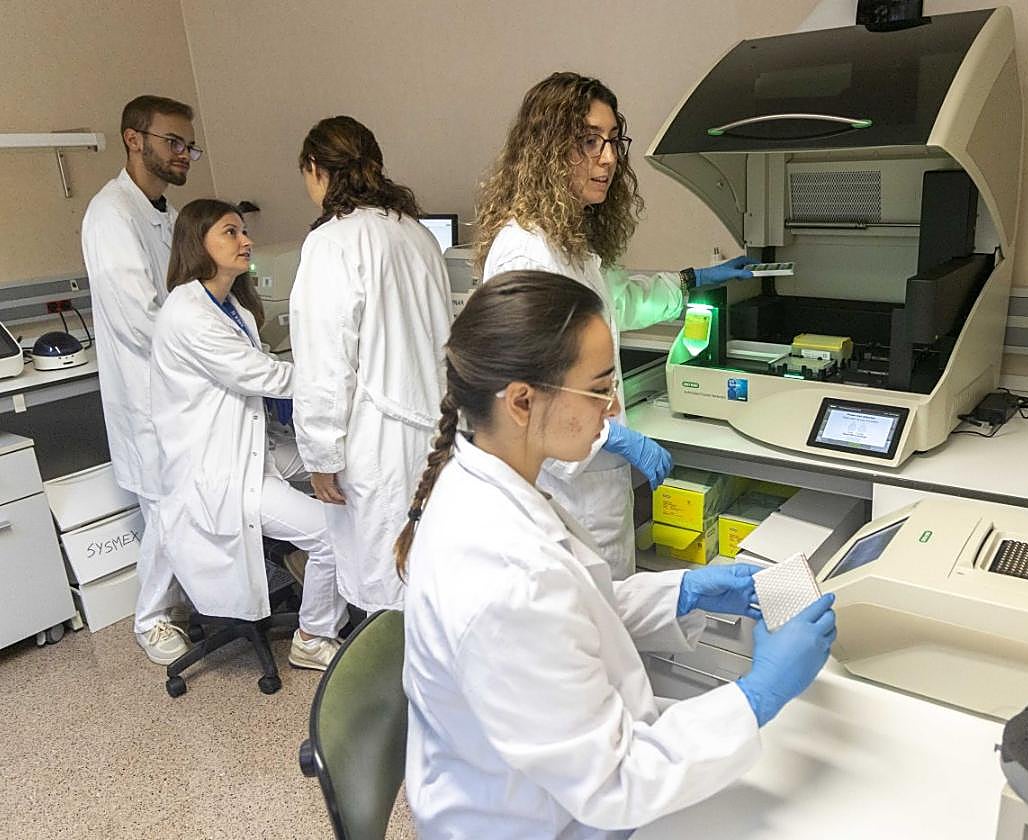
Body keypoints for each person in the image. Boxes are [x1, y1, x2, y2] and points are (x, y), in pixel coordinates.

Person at [400, 270, 837, 838]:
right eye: (599, 387)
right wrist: (758, 697)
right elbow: (614, 785)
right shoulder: (502, 577)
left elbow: (569, 613)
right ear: (523, 402)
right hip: (537, 821)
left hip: (553, 785)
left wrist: (681, 591)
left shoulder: (491, 482)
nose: (611, 408)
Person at [476, 72, 755, 579]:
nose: (607, 158)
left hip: (592, 484)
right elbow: (524, 390)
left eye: (611, 141)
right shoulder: (525, 251)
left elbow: (615, 304)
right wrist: (612, 436)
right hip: (562, 489)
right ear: (547, 149)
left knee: (610, 618)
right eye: (588, 141)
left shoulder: (569, 244)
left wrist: (695, 280)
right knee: (586, 629)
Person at [149, 199, 347, 670]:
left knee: (348, 467)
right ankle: (312, 635)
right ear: (199, 243)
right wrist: (343, 378)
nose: (246, 241)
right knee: (332, 535)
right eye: (231, 233)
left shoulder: (231, 305)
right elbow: (266, 377)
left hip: (254, 449)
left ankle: (327, 579)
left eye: (243, 231)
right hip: (222, 471)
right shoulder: (188, 314)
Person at [290, 116, 453, 612]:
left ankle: (390, 684)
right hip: (434, 432)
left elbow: (325, 365)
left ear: (316, 169)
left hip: (379, 441)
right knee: (428, 569)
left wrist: (321, 458)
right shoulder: (417, 235)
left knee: (385, 582)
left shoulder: (332, 242)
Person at [81, 94, 200, 664]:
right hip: (148, 394)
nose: (183, 155)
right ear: (134, 139)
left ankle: (185, 603)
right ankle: (151, 619)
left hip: (179, 390)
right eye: (172, 143)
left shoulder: (166, 216)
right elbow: (142, 320)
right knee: (163, 510)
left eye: (188, 145)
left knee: (181, 506)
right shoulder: (111, 216)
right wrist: (212, 355)